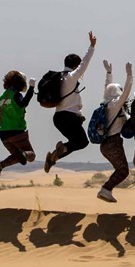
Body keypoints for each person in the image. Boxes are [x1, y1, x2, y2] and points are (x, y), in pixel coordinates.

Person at [44, 31, 96, 172]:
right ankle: (60, 151)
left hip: (58, 118)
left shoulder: (59, 77)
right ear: (75, 66)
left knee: (77, 142)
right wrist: (92, 46)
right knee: (82, 142)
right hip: (69, 118)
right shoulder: (72, 77)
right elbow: (85, 63)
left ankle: (55, 156)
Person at [0, 71, 36, 183]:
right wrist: (31, 88)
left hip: (3, 135)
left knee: (16, 156)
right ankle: (23, 154)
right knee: (31, 155)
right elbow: (23, 103)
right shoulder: (16, 95)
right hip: (17, 132)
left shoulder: (1, 98)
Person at [96, 60, 133, 203]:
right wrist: (129, 75)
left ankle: (106, 190)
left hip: (105, 145)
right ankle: (105, 190)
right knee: (123, 170)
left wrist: (109, 73)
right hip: (113, 143)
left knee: (120, 169)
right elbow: (126, 92)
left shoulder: (106, 103)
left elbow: (107, 88)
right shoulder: (116, 105)